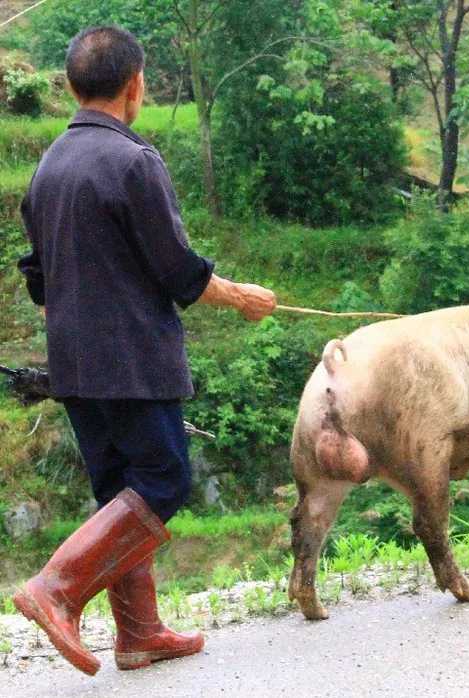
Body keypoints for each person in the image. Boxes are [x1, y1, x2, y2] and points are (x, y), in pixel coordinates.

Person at [12, 25, 277, 675]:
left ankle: (139, 634)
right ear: (136, 86)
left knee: (119, 493)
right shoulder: (134, 161)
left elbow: (38, 275)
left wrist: (74, 318)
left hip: (72, 364)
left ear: (70, 86)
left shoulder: (49, 165)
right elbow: (177, 269)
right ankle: (57, 588)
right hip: (131, 359)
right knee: (163, 480)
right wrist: (241, 297)